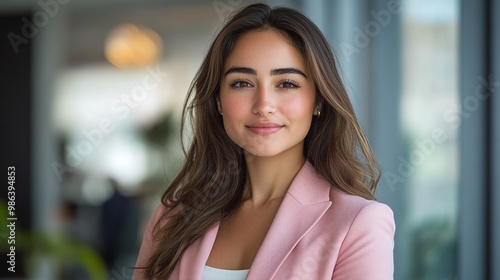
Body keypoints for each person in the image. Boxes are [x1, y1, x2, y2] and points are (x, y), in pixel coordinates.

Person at [133, 3, 395, 280]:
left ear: (318, 99)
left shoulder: (358, 223)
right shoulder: (171, 218)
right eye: (242, 83)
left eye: (286, 84)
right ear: (218, 100)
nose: (263, 105)